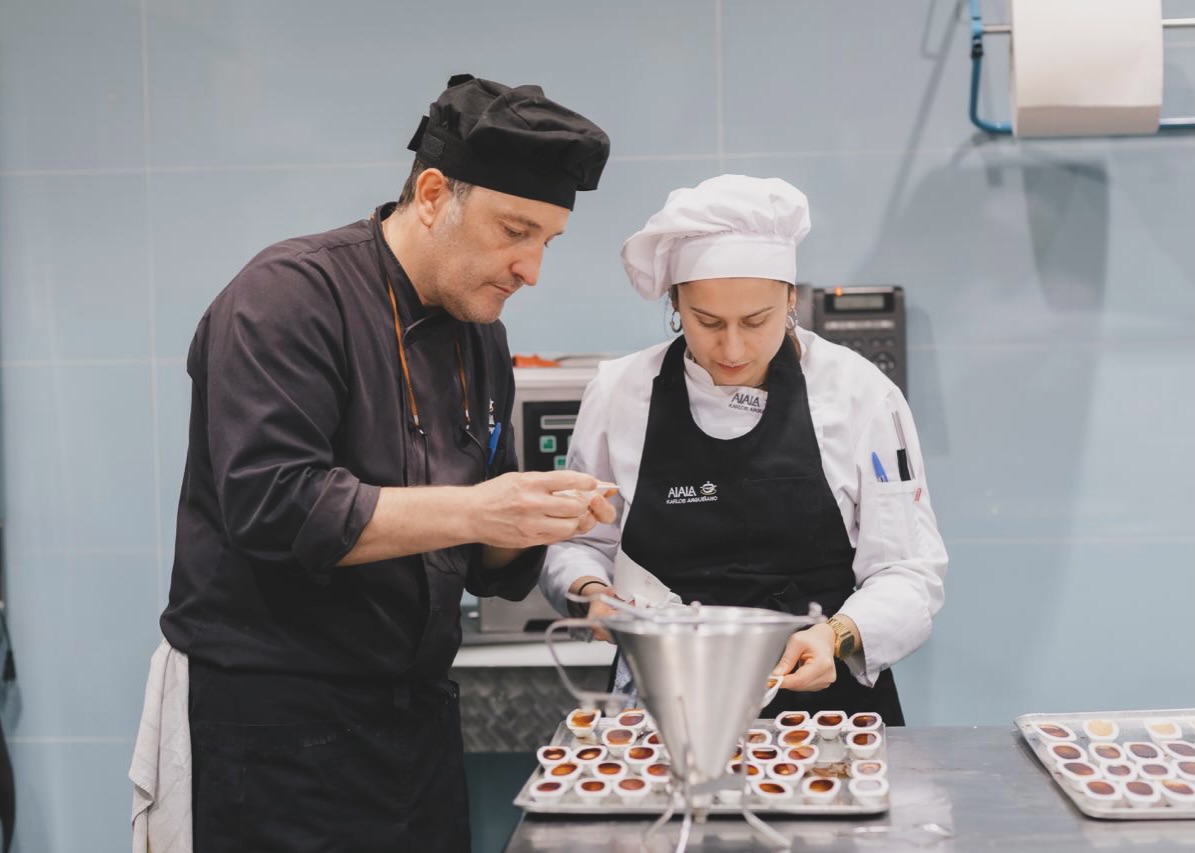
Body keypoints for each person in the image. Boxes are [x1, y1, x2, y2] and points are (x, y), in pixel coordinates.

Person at [130, 74, 613, 853]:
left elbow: (491, 563)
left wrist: (535, 516)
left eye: (546, 242)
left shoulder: (478, 332)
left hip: (412, 726)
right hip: (275, 735)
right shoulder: (288, 297)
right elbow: (278, 506)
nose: (531, 269)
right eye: (514, 230)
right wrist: (479, 509)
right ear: (431, 193)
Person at [539, 175, 947, 724]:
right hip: (665, 708)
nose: (732, 348)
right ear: (675, 302)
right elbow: (578, 542)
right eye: (708, 322)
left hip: (827, 711)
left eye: (757, 321)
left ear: (790, 298)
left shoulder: (861, 395)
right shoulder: (619, 394)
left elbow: (908, 571)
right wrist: (592, 592)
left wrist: (839, 635)